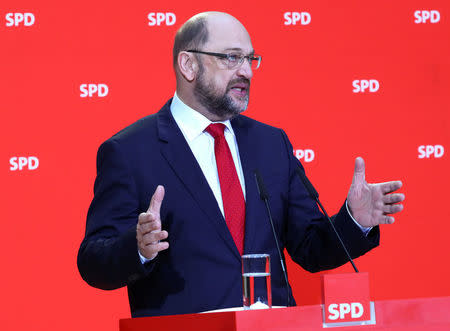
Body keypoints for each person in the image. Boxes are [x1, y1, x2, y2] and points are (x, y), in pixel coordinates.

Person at [77, 12, 404, 317]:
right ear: (188, 65)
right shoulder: (130, 151)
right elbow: (93, 260)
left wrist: (353, 220)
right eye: (231, 57)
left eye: (250, 59)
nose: (246, 71)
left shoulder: (271, 143)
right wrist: (137, 248)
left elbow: (311, 248)